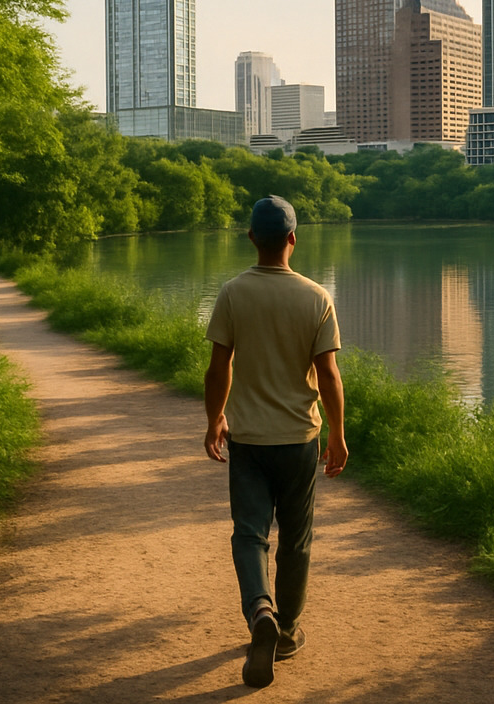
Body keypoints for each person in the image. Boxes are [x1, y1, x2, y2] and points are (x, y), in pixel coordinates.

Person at [203, 195, 347, 689]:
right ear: (292, 238)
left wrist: (214, 418)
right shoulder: (315, 296)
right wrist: (339, 436)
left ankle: (259, 609)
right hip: (299, 440)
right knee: (296, 540)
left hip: (247, 439)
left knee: (249, 533)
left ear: (250, 239)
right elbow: (329, 376)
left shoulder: (232, 293)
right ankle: (285, 631)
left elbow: (218, 365)